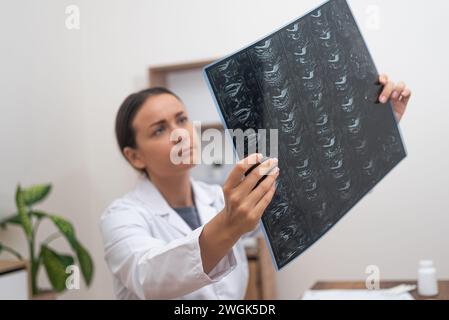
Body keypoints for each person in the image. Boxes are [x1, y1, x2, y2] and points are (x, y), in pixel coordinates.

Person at [100, 75, 411, 299]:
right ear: (135, 156)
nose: (180, 133)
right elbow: (148, 279)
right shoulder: (121, 218)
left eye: (182, 119)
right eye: (159, 130)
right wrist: (229, 223)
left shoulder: (215, 198)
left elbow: (312, 197)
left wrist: (376, 129)